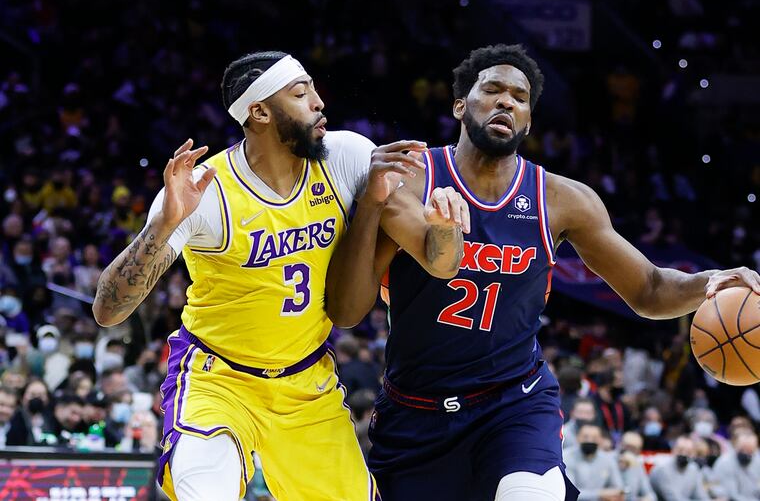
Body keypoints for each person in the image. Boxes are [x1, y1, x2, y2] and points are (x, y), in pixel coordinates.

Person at [328, 43, 760, 501]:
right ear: (460, 106)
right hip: (415, 411)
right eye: (492, 90)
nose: (506, 102)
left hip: (513, 405)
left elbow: (649, 289)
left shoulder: (561, 200)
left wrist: (709, 281)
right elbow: (348, 313)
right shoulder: (410, 179)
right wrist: (370, 206)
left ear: (529, 121)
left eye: (520, 97)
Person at [93, 51, 466, 501]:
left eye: (313, 89)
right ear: (260, 112)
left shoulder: (346, 155)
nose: (318, 102)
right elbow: (108, 311)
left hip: (307, 383)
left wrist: (443, 226)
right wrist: (164, 224)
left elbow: (440, 262)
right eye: (300, 93)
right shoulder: (204, 189)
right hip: (219, 379)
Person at [564, 423, 625, 501]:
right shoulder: (567, 457)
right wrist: (600, 494)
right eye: (585, 437)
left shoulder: (608, 459)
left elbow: (618, 488)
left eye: (594, 438)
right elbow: (569, 493)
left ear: (601, 440)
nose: (589, 440)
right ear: (577, 438)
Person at [649, 436, 710, 500]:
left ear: (694, 454)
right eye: (680, 450)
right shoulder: (663, 469)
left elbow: (700, 495)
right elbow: (672, 498)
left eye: (688, 452)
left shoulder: (693, 469)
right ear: (673, 450)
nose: (684, 454)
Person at [713, 431, 760, 500]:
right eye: (743, 450)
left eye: (750, 451)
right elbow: (732, 495)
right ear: (735, 446)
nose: (747, 454)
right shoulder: (725, 462)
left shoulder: (757, 459)